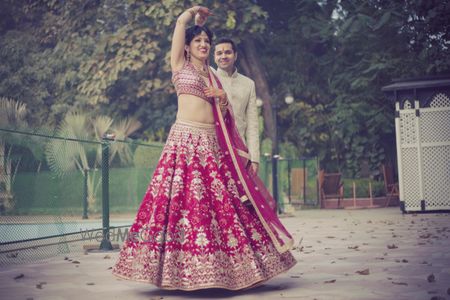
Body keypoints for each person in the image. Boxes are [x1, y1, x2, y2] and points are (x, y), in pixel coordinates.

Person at [112, 6, 296, 291]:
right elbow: (178, 27)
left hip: (210, 145)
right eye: (198, 42)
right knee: (177, 206)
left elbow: (225, 117)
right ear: (187, 47)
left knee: (221, 209)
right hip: (183, 141)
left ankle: (230, 271)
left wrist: (222, 98)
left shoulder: (215, 77)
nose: (203, 45)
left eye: (206, 42)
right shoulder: (179, 66)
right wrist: (191, 15)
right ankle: (176, 273)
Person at [213, 38, 260, 173]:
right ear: (214, 57)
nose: (223, 56)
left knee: (240, 193)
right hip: (215, 147)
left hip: (239, 150)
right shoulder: (210, 78)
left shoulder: (248, 84)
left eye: (228, 52)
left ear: (235, 55)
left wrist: (254, 158)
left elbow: (252, 124)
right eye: (219, 53)